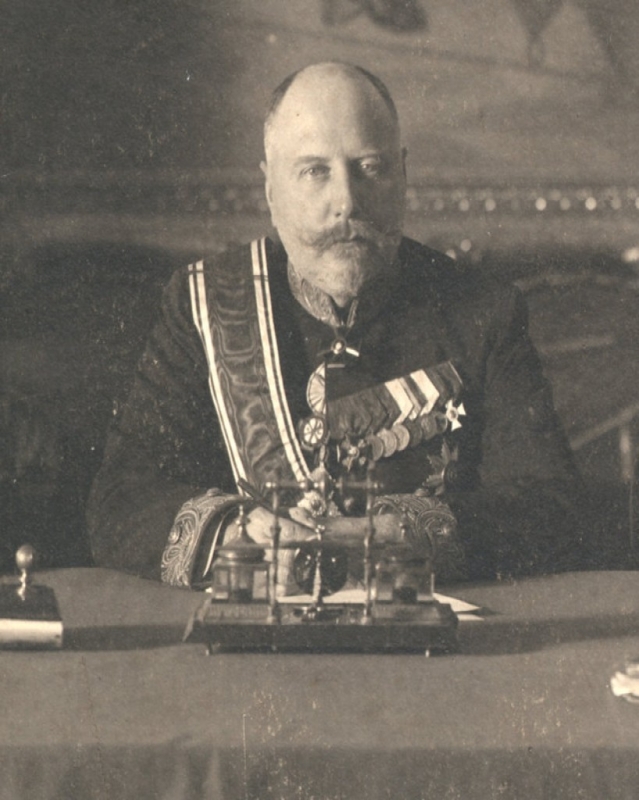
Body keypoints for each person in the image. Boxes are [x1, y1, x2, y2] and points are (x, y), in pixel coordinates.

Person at [87, 61, 585, 590]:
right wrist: (237, 535)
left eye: (370, 167)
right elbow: (120, 501)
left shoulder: (483, 310)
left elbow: (551, 507)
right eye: (314, 171)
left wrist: (397, 535)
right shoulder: (201, 304)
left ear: (403, 176)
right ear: (271, 189)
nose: (346, 202)